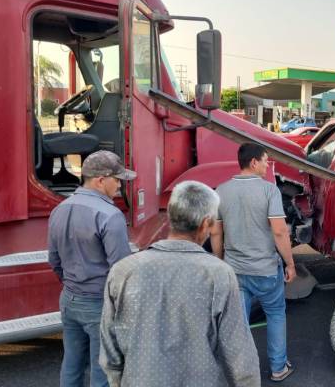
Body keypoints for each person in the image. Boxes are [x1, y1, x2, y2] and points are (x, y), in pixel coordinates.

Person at [99, 181, 260, 387]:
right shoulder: (218, 274)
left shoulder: (123, 271)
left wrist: (117, 381)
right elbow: (239, 353)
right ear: (205, 224)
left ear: (170, 217)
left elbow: (109, 345)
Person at [47, 150, 136, 387]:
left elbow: (54, 259)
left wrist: (71, 285)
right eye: (117, 180)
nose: (119, 185)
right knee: (103, 370)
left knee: (72, 363)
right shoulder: (110, 215)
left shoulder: (59, 209)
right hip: (99, 303)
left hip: (69, 299)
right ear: (100, 180)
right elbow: (121, 269)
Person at [211, 142, 297, 382]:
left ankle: (239, 373)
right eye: (266, 161)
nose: (267, 165)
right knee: (276, 314)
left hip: (235, 270)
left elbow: (216, 233)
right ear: (253, 162)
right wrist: (290, 263)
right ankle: (278, 368)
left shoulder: (221, 191)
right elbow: (279, 232)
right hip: (267, 270)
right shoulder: (270, 191)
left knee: (238, 324)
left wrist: (220, 263)